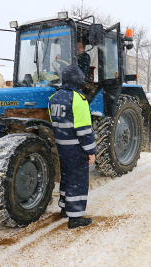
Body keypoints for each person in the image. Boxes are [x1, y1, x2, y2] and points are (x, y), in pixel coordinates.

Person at [48, 65, 96, 229]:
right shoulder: (78, 99)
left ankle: (64, 209)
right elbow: (84, 130)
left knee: (66, 178)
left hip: (62, 147)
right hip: (76, 149)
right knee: (78, 180)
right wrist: (91, 151)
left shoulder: (54, 98)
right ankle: (75, 218)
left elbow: (56, 124)